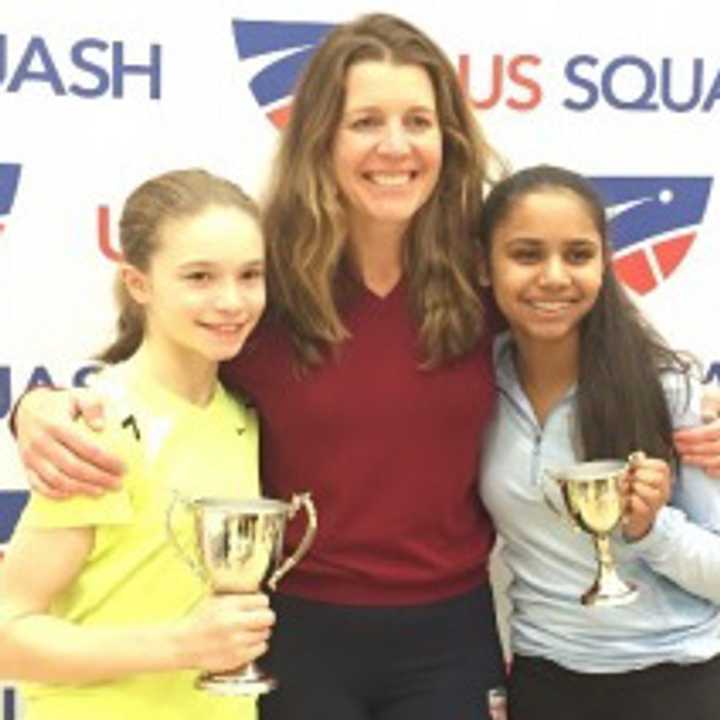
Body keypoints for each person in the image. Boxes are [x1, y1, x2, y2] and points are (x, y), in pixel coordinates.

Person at [8, 13, 720, 720]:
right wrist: (31, 410)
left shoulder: (485, 276)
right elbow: (148, 362)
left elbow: (606, 342)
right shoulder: (261, 281)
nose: (395, 146)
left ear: (448, 136)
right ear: (320, 134)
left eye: (418, 120)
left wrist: (700, 409)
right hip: (297, 634)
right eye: (365, 122)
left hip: (451, 635)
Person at [0, 169, 275, 720]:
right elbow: (7, 633)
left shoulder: (242, 415)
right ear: (139, 284)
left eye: (250, 275)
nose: (231, 300)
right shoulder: (100, 423)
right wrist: (183, 647)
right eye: (198, 277)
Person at [478, 164, 720, 720]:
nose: (555, 277)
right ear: (484, 266)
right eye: (527, 254)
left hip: (676, 681)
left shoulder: (664, 387)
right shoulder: (473, 384)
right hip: (546, 679)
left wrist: (649, 527)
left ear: (605, 264)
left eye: (579, 255)